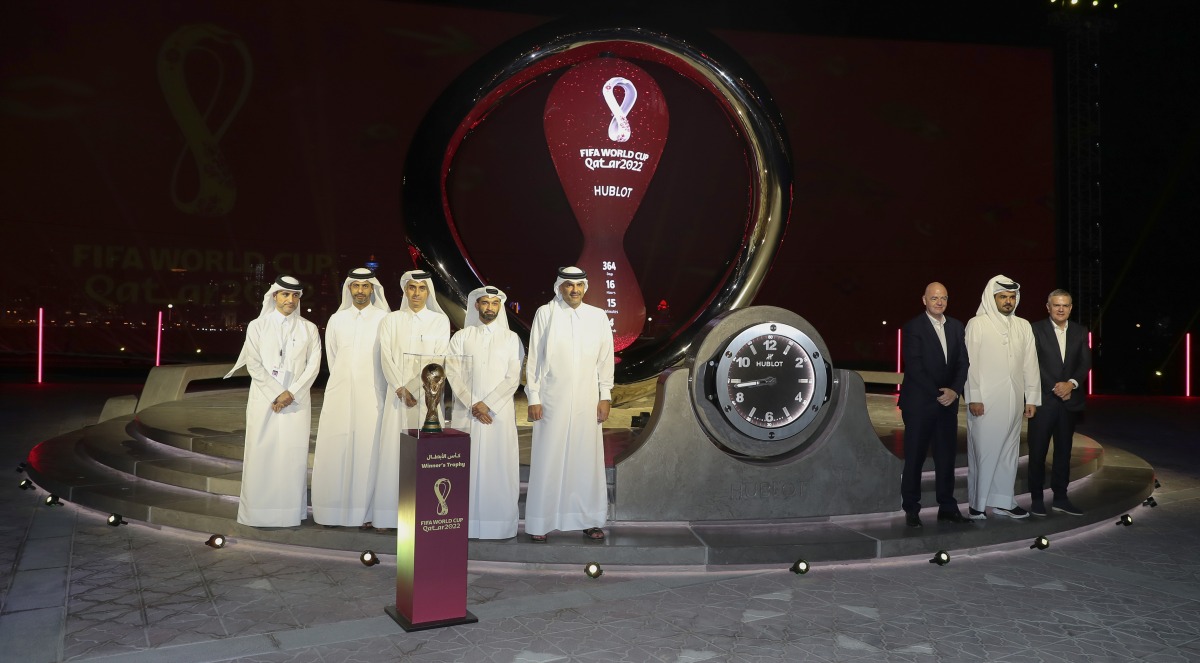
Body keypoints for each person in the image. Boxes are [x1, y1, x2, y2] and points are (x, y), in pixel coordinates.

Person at [524, 266, 615, 543]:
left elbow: (605, 359)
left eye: (578, 285)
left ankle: (588, 520)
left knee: (585, 460)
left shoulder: (597, 316)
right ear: (559, 287)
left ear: (585, 287)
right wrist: (534, 397)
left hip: (588, 401)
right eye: (568, 286)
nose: (573, 290)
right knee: (548, 458)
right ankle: (541, 521)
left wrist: (605, 395)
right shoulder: (546, 314)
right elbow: (535, 358)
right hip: (551, 400)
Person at [224, 275, 322, 527]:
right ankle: (257, 512)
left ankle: (289, 513)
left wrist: (291, 393)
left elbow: (313, 366)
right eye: (285, 295)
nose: (290, 300)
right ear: (275, 296)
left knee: (292, 456)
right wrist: (277, 392)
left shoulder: (308, 328)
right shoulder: (258, 326)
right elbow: (253, 364)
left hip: (296, 402)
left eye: (295, 295)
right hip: (264, 399)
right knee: (261, 453)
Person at [371, 270, 450, 532]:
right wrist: (401, 388)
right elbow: (386, 358)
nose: (416, 294)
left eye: (422, 288)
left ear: (429, 292)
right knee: (394, 454)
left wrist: (416, 387)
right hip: (398, 398)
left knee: (425, 456)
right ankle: (386, 516)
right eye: (412, 288)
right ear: (405, 290)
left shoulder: (440, 321)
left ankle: (425, 514)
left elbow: (438, 359)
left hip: (427, 399)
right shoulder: (390, 320)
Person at [310, 268, 390, 527]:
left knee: (368, 452)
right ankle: (331, 512)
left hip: (373, 395)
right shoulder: (337, 319)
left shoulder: (385, 319)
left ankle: (365, 514)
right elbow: (333, 358)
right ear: (349, 289)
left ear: (372, 289)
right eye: (355, 286)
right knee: (336, 450)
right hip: (340, 395)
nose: (360, 291)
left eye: (365, 287)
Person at [445, 286, 525, 539]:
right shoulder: (461, 337)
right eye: (485, 303)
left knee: (498, 468)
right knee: (464, 468)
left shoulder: (511, 339)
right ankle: (463, 524)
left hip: (497, 415)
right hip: (466, 414)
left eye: (494, 303)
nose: (490, 308)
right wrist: (472, 403)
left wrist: (487, 404)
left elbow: (513, 378)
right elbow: (452, 373)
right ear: (476, 306)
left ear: (499, 307)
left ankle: (498, 526)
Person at [964, 275, 1041, 520]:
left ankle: (1003, 501)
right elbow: (969, 364)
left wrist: (1031, 398)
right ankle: (978, 504)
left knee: (1009, 452)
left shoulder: (1023, 325)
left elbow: (1031, 364)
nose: (1008, 301)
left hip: (1015, 400)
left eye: (1012, 297)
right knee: (985, 452)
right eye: (1003, 297)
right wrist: (974, 396)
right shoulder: (977, 324)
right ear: (992, 298)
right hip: (985, 401)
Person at [899, 282, 970, 527]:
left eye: (943, 298)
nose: (939, 302)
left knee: (946, 458)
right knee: (915, 458)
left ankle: (947, 507)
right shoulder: (913, 327)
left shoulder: (957, 326)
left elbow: (963, 363)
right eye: (934, 298)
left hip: (947, 404)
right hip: (920, 404)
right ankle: (911, 509)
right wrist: (940, 392)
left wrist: (954, 391)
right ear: (924, 300)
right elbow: (915, 366)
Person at [1027, 289, 1091, 517]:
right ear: (1048, 307)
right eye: (1056, 305)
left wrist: (1071, 384)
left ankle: (1061, 498)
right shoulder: (1035, 329)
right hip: (1044, 400)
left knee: (1064, 452)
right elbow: (1032, 363)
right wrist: (1057, 385)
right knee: (1037, 452)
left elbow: (1085, 363)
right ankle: (1036, 498)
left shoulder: (1080, 331)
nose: (1061, 309)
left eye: (1065, 305)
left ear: (1071, 307)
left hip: (1069, 401)